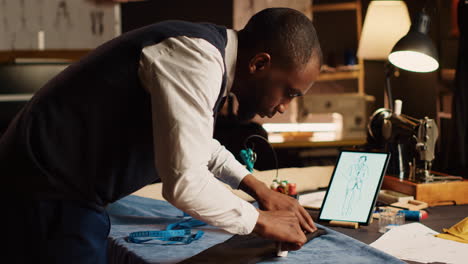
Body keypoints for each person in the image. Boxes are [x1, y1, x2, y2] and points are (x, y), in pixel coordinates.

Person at [1, 7, 322, 263]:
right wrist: (261, 221)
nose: (283, 107)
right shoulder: (197, 60)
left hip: (55, 189)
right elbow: (185, 183)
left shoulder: (207, 56)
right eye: (289, 93)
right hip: (46, 191)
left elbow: (190, 140)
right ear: (259, 64)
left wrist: (256, 188)